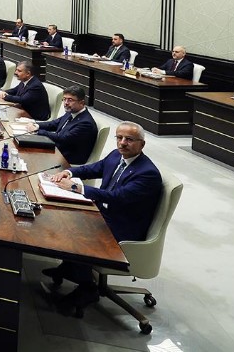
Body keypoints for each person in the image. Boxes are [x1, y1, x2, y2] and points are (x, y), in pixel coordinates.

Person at [43, 121, 162, 315]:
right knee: (63, 217)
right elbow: (93, 168)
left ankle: (87, 288)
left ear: (142, 144)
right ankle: (70, 268)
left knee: (76, 232)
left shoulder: (147, 174)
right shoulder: (116, 155)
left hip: (124, 227)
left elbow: (117, 197)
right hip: (105, 212)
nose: (122, 143)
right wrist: (68, 172)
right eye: (119, 138)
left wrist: (76, 187)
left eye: (129, 139)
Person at [25, 86, 97, 165]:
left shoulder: (86, 123)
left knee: (29, 153)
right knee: (25, 143)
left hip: (67, 157)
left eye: (70, 100)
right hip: (58, 147)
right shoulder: (71, 112)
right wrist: (35, 124)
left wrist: (38, 131)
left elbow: (63, 138)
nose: (66, 103)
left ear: (81, 103)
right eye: (64, 99)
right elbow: (54, 124)